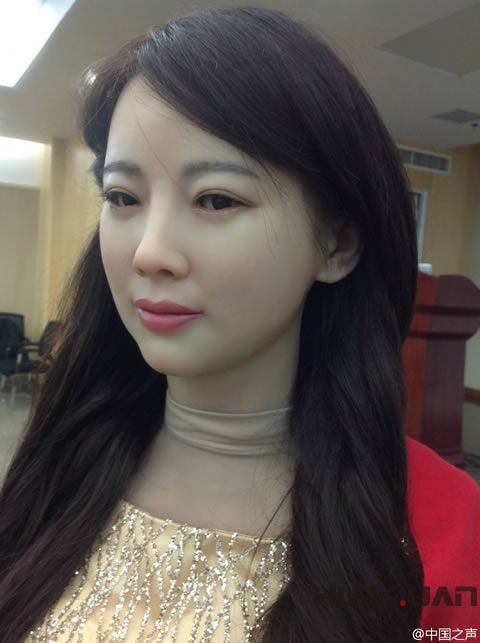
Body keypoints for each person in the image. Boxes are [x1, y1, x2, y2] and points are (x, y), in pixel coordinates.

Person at [0, 5, 478, 642]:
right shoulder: (59, 458)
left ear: (336, 243)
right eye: (122, 198)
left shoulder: (447, 527)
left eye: (216, 199)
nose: (149, 253)